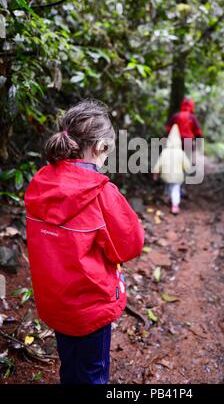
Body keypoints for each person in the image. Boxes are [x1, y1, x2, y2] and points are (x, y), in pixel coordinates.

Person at [24, 99, 144, 384]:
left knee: (70, 366)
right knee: (92, 373)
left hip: (55, 303)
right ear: (101, 147)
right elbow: (130, 245)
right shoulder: (101, 193)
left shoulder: (40, 182)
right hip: (90, 307)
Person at [153, 124, 191, 215]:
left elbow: (159, 164)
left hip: (166, 176)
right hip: (177, 177)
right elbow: (187, 166)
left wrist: (155, 173)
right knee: (175, 189)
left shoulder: (165, 152)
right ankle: (175, 206)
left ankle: (167, 197)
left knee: (169, 185)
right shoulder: (181, 153)